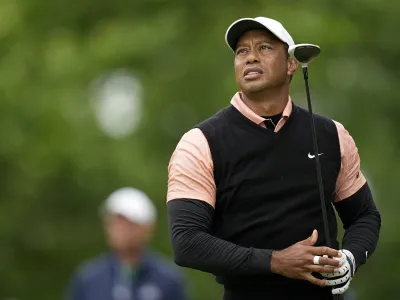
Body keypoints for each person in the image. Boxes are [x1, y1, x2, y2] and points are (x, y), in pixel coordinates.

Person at [166, 16, 381, 300]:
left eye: (264, 48)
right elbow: (187, 242)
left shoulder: (332, 134)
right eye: (242, 51)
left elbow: (364, 215)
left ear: (292, 64)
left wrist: (351, 257)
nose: (251, 57)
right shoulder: (200, 142)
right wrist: (276, 261)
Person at [65, 187, 189, 300]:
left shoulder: (168, 279)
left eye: (126, 223)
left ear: (147, 229)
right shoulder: (89, 278)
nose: (118, 229)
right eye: (114, 222)